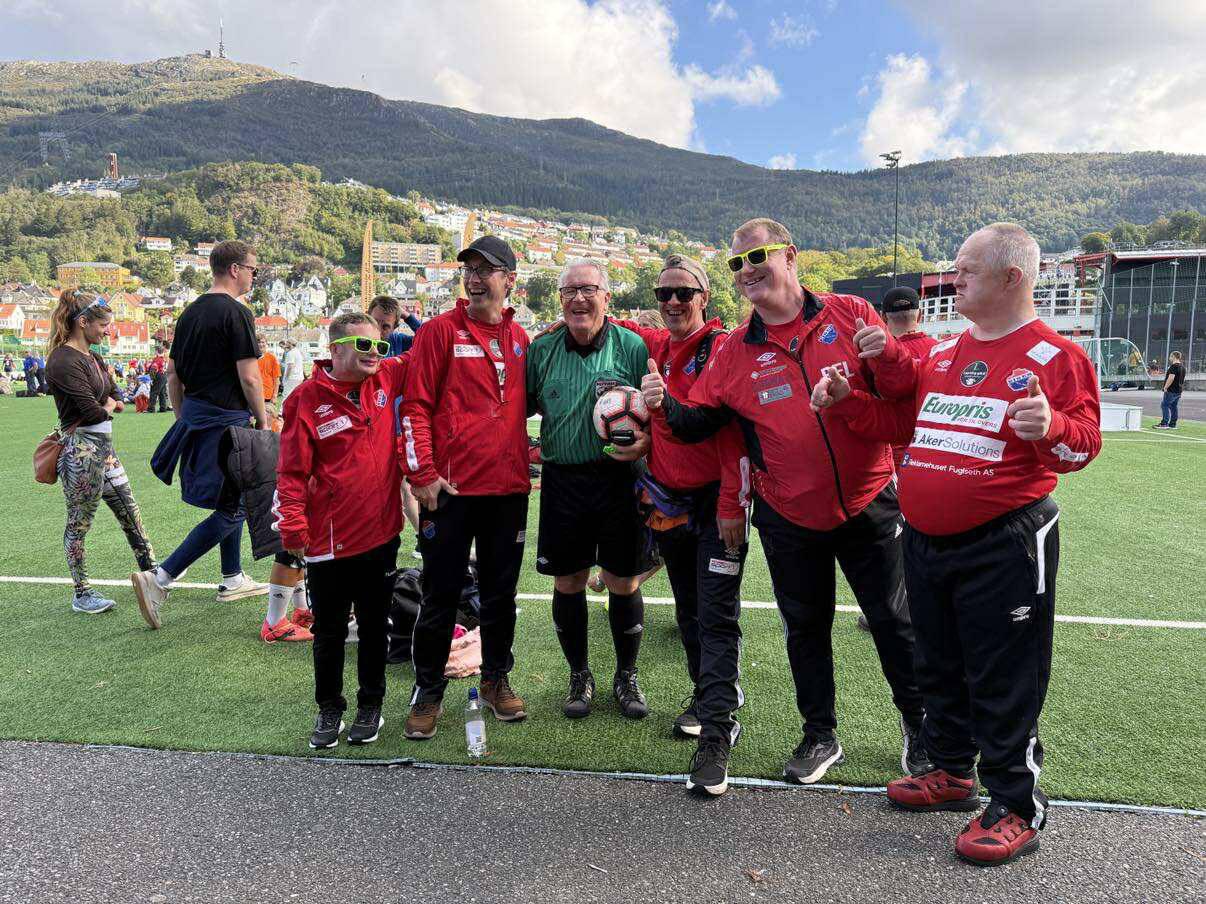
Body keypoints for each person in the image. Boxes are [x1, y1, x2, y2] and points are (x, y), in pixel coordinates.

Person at [813, 223, 1102, 866]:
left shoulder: (1057, 357)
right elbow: (900, 423)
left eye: (967, 269)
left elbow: (1083, 445)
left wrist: (1051, 426)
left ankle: (1017, 804)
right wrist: (846, 401)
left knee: (1004, 674)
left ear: (1012, 277)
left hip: (1004, 542)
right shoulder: (944, 354)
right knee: (937, 662)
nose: (954, 278)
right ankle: (950, 770)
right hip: (924, 540)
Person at [642, 217, 928, 786]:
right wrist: (663, 406)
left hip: (869, 501)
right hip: (789, 514)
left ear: (790, 256)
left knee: (894, 621)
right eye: (737, 263)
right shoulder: (734, 350)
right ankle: (820, 734)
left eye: (757, 257)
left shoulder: (850, 313)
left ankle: (919, 725)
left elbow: (902, 399)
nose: (746, 270)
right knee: (805, 628)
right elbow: (702, 424)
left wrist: (891, 355)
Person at [617, 254, 751, 795]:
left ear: (705, 298)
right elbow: (621, 324)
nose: (672, 302)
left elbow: (732, 433)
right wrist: (579, 310)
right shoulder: (661, 347)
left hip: (716, 504)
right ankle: (709, 696)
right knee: (690, 612)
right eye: (663, 293)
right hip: (667, 504)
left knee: (715, 617)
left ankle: (716, 735)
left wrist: (732, 504)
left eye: (683, 293)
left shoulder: (722, 349)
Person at [400, 236, 532, 740]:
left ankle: (496, 679)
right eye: (469, 271)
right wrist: (422, 475)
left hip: (508, 492)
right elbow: (414, 406)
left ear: (509, 280)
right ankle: (428, 689)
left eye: (486, 270)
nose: (475, 279)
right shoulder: (437, 332)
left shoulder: (520, 338)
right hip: (450, 492)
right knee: (440, 594)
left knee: (500, 595)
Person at [527, 259, 654, 721]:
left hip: (619, 481)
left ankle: (626, 675)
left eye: (588, 289)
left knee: (624, 581)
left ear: (606, 297)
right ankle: (579, 675)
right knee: (568, 580)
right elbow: (516, 409)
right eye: (569, 291)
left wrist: (647, 441)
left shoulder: (632, 347)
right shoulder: (541, 350)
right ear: (560, 299)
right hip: (563, 482)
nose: (578, 299)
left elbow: (655, 413)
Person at [277, 312, 409, 748]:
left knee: (374, 626)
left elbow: (431, 348)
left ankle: (371, 704)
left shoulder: (386, 377)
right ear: (334, 349)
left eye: (380, 346)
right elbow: (291, 471)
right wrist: (293, 525)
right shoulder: (305, 400)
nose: (375, 353)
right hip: (329, 542)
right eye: (364, 345)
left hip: (381, 534)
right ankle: (329, 707)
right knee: (330, 630)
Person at [130, 240, 270, 629]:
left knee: (229, 499)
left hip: (200, 419)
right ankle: (160, 578)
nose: (254, 277)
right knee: (235, 506)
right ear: (235, 269)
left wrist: (184, 418)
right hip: (229, 423)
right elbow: (249, 377)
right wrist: (263, 420)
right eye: (254, 270)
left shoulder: (190, 313)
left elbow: (173, 375)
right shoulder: (237, 313)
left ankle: (232, 577)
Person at [45, 290, 156, 614]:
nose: (108, 331)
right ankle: (82, 594)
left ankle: (154, 576)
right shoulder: (62, 360)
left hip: (104, 451)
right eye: (104, 325)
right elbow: (93, 411)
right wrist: (108, 405)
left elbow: (117, 394)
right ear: (83, 322)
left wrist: (110, 403)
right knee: (79, 524)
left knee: (130, 513)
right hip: (80, 454)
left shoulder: (93, 357)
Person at [256, 332, 283, 432]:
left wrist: (275, 395)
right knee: (257, 421)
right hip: (256, 395)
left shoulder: (272, 358)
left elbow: (277, 379)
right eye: (258, 342)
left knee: (269, 420)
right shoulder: (252, 358)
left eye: (263, 342)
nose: (261, 344)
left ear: (266, 343)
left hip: (268, 395)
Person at [1154, 350, 1186, 429]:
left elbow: (1171, 378)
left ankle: (1164, 423)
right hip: (1178, 390)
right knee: (1173, 406)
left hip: (1171, 390)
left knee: (1164, 405)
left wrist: (1165, 387)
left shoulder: (1174, 366)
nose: (1169, 358)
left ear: (1173, 357)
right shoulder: (1183, 367)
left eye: (1170, 356)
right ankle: (1172, 424)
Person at [147, 344, 170, 413]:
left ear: (157, 351)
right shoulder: (164, 359)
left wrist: (151, 379)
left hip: (159, 376)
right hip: (164, 375)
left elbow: (153, 369)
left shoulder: (157, 359)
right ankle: (163, 408)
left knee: (154, 392)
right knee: (162, 393)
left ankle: (151, 408)